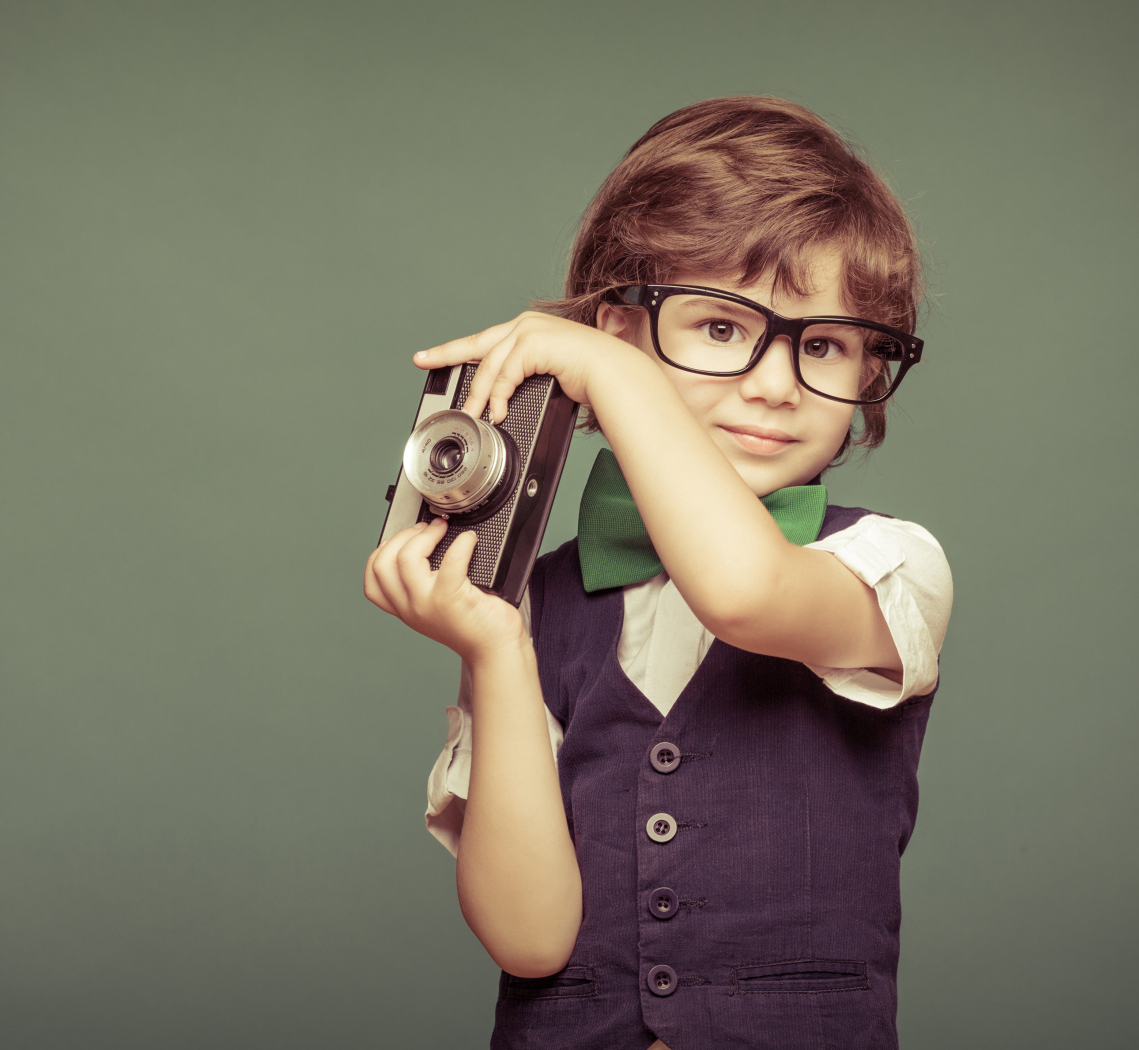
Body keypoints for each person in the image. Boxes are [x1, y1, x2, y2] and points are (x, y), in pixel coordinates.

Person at [363, 97, 953, 1050]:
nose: (775, 383)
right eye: (720, 328)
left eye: (827, 344)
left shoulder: (890, 567)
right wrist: (496, 647)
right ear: (621, 327)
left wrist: (619, 377)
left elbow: (747, 592)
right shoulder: (538, 599)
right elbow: (530, 941)